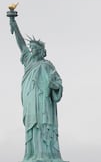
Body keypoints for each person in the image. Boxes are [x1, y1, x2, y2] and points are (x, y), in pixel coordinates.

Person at [10, 18, 66, 162]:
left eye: (34, 48)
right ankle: (32, 154)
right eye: (31, 48)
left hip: (43, 100)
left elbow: (58, 82)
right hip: (30, 98)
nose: (32, 50)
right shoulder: (28, 61)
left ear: (41, 51)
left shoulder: (48, 65)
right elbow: (21, 44)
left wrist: (55, 86)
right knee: (32, 125)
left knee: (43, 124)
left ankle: (47, 155)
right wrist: (13, 23)